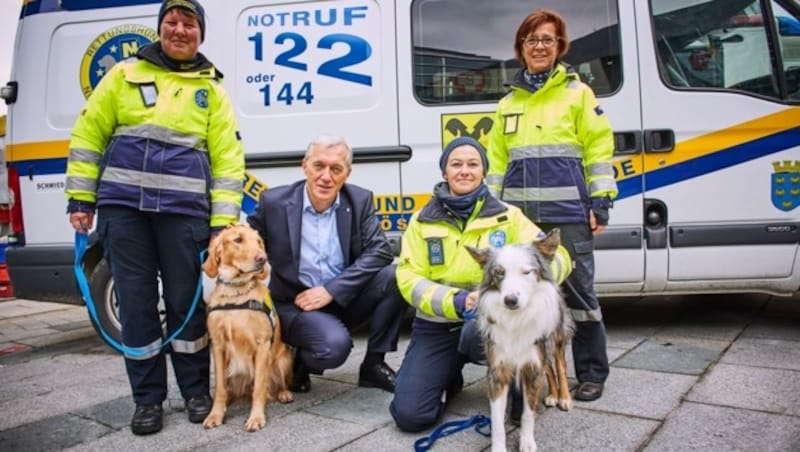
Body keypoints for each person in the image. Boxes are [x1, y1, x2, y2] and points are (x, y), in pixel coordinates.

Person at [65, 0, 245, 435]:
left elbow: (227, 160)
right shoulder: (124, 76)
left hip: (183, 216)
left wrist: (222, 224)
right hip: (124, 213)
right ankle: (147, 401)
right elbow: (88, 135)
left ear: (200, 34)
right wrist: (80, 200)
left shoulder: (212, 91)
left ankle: (196, 393)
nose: (180, 30)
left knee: (186, 308)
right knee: (137, 306)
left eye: (189, 24)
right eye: (172, 22)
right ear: (160, 28)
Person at [389, 136, 573, 432]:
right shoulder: (421, 221)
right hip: (437, 324)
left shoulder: (508, 217)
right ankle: (448, 374)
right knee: (410, 416)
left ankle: (517, 385)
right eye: (456, 164)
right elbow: (408, 278)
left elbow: (557, 254)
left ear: (483, 171)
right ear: (444, 172)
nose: (465, 170)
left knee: (477, 339)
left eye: (473, 164)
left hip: (494, 323)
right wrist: (458, 301)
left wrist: (541, 283)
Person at [486, 9, 618, 403]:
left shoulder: (579, 94)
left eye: (547, 40)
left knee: (580, 298)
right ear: (521, 49)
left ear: (560, 47)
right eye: (531, 40)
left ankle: (592, 373)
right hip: (522, 222)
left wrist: (601, 200)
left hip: (569, 216)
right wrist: (494, 209)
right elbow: (496, 162)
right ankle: (531, 371)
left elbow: (599, 149)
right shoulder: (507, 103)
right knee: (522, 296)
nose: (539, 47)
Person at [247, 135, 406, 394]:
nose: (326, 176)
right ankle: (300, 361)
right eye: (319, 166)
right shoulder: (273, 202)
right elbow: (249, 243)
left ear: (347, 173)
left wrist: (332, 290)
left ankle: (374, 365)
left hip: (342, 297)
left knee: (396, 276)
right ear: (305, 166)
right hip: (296, 303)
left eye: (336, 169)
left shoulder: (359, 200)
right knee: (332, 348)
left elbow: (380, 251)